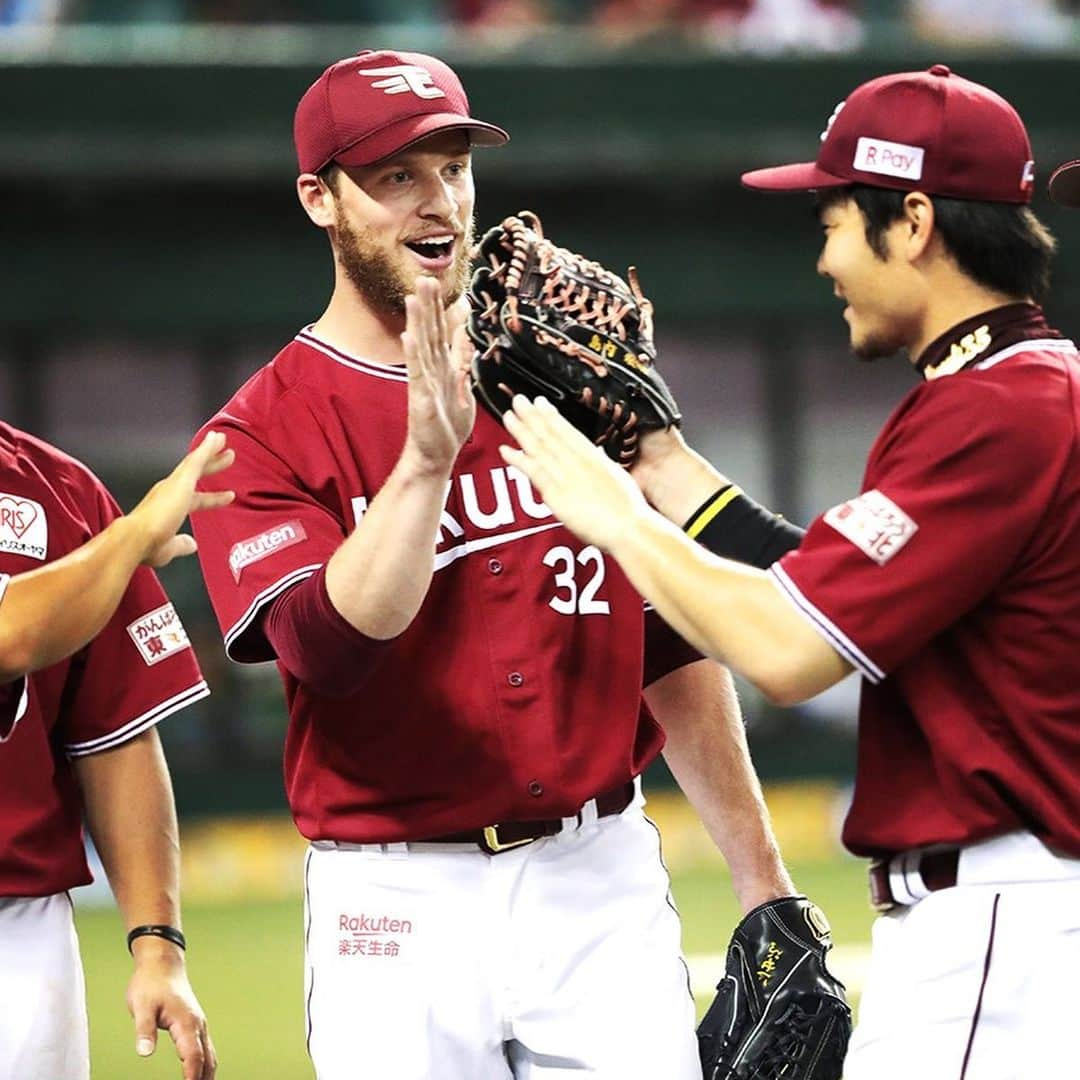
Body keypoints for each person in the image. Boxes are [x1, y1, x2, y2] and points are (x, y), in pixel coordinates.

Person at [189, 48, 804, 1079]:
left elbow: (666, 637)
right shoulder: (262, 431)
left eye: (455, 168)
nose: (440, 203)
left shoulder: (558, 373)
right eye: (396, 177)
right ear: (319, 199)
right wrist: (425, 463)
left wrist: (764, 875)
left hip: (595, 873)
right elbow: (328, 650)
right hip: (394, 902)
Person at [500, 65, 1080, 1080]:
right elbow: (816, 589)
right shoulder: (1026, 388)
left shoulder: (999, 411)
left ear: (911, 222)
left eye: (831, 223)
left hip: (1003, 922)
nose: (823, 261)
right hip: (1007, 915)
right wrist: (663, 464)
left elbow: (787, 649)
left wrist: (613, 516)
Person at [0, 427, 232, 1080]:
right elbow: (8, 638)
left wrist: (159, 948)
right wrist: (130, 539)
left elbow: (114, 732)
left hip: (19, 934)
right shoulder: (106, 528)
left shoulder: (60, 491)